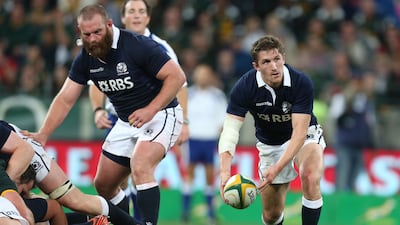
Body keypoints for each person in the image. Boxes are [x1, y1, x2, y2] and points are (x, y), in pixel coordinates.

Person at [23, 4, 186, 225]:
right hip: (126, 120)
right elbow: (65, 98)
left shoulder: (137, 45)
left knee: (140, 164)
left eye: (97, 32)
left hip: (162, 114)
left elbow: (176, 77)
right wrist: (43, 134)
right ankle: (125, 222)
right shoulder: (85, 58)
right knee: (103, 184)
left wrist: (151, 109)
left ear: (109, 25)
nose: (92, 39)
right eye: (86, 34)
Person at [88, 0, 189, 219]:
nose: (136, 16)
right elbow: (93, 84)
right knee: (114, 181)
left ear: (148, 18)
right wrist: (97, 109)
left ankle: (141, 220)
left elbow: (179, 84)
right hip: (118, 119)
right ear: (122, 18)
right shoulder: (106, 45)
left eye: (141, 11)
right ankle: (126, 219)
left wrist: (184, 123)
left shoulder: (161, 47)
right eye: (131, 11)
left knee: (140, 168)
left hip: (154, 117)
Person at [218, 35, 326, 225]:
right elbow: (230, 131)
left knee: (309, 175)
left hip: (303, 136)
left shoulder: (301, 82)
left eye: (277, 59)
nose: (274, 66)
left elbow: (299, 134)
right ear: (256, 66)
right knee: (272, 215)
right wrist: (225, 173)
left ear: (283, 58)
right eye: (266, 62)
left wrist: (277, 168)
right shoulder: (244, 87)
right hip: (270, 144)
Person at [2, 120, 131, 225]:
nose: (27, 193)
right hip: (11, 169)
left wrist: (11, 193)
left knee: (74, 200)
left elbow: (24, 150)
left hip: (22, 152)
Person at [181, 64, 227, 224]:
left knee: (209, 176)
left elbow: (223, 119)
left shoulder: (218, 95)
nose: (202, 77)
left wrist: (222, 138)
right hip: (192, 139)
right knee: (189, 174)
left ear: (210, 76)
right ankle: (185, 212)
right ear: (195, 76)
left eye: (205, 74)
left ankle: (210, 213)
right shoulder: (188, 94)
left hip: (209, 140)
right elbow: (182, 116)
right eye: (200, 74)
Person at [328, 72, 376, 192]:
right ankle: (338, 204)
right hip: (344, 144)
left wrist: (371, 141)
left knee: (355, 177)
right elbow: (334, 118)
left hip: (359, 144)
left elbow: (370, 123)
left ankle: (349, 204)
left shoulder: (365, 100)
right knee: (342, 175)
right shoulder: (341, 98)